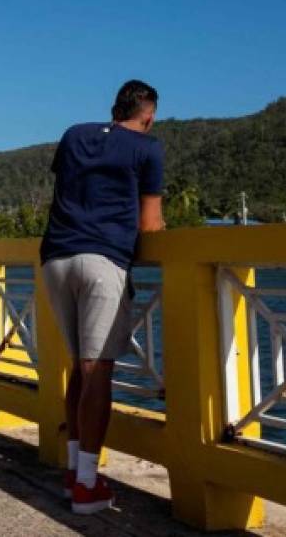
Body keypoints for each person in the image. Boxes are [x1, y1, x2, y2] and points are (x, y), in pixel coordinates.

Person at [39, 79, 165, 515]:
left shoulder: (75, 134)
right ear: (147, 115)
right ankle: (88, 487)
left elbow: (67, 191)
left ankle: (76, 470)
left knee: (80, 365)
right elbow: (150, 224)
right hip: (102, 260)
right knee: (97, 370)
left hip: (56, 258)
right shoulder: (148, 149)